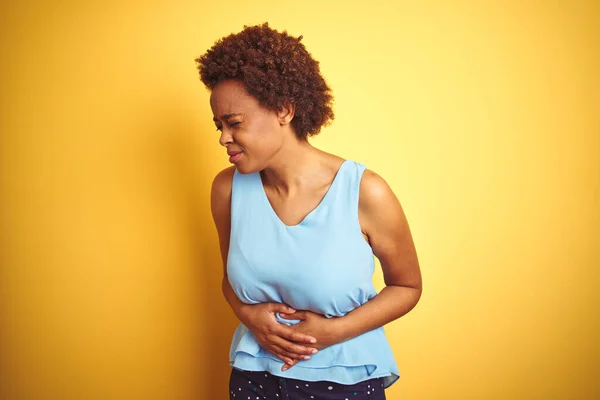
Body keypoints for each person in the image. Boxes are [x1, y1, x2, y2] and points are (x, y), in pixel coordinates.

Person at [195, 23, 422, 400]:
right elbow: (229, 281)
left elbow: (407, 287)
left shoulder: (365, 191)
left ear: (284, 109)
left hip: (344, 383)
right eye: (218, 125)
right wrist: (248, 315)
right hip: (254, 379)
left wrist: (336, 331)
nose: (223, 137)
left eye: (234, 123)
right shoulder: (227, 189)